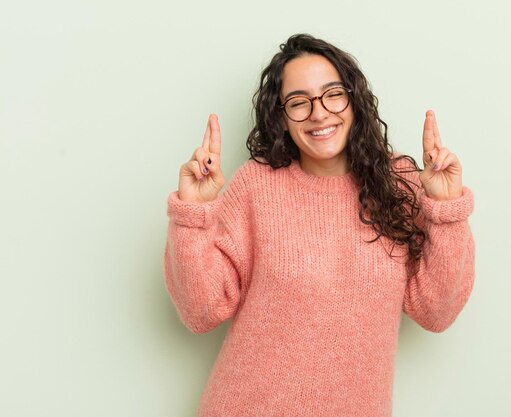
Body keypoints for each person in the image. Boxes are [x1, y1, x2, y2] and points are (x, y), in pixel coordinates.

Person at [163, 33, 475, 417]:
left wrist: (447, 210)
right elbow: (201, 313)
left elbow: (435, 312)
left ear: (354, 99)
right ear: (281, 116)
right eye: (298, 102)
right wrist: (193, 215)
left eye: (333, 94)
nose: (319, 113)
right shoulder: (256, 185)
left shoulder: (402, 182)